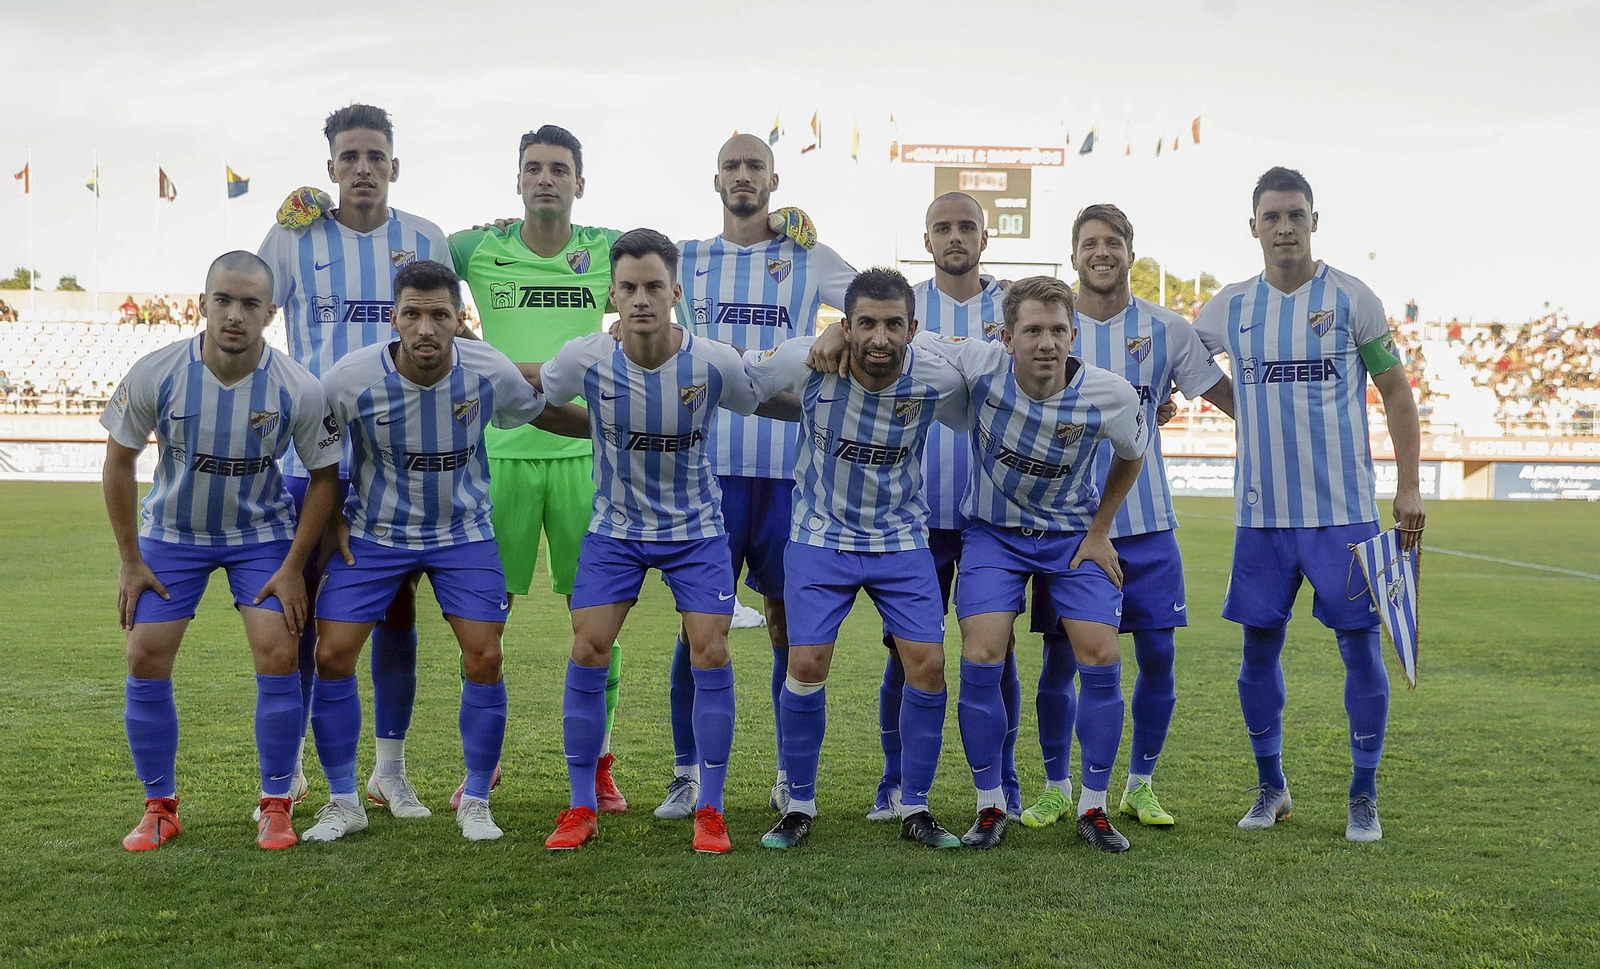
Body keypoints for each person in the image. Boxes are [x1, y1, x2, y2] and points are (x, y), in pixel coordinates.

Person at [808, 275, 1153, 852]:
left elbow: (1132, 454)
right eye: (1033, 330)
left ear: (1074, 335)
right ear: (1005, 335)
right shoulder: (979, 364)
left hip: (1071, 536)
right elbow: (892, 340)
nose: (1046, 343)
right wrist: (835, 337)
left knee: (1102, 652)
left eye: (1058, 331)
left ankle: (1094, 807)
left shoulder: (1110, 394)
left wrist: (1100, 531)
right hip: (995, 535)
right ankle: (989, 803)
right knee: (980, 651)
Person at [304, 259, 586, 843]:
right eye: (413, 314)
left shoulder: (488, 370)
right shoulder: (349, 379)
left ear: (461, 319)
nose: (426, 328)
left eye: (440, 315)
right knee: (331, 656)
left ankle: (477, 799)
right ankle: (342, 800)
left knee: (484, 657)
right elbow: (319, 453)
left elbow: (541, 412)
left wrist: (617, 427)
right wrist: (332, 520)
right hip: (377, 535)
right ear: (394, 318)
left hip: (464, 533)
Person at [1193, 167, 1425, 843]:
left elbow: (1397, 392)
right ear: (1254, 227)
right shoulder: (1229, 308)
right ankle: (1271, 787)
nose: (1285, 227)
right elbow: (1185, 361)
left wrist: (1407, 485)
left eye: (1296, 214)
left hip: (1344, 513)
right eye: (1273, 216)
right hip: (1260, 516)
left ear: (1314, 221)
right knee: (1257, 653)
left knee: (1361, 652)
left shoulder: (1354, 298)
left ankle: (1363, 794)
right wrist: (1237, 407)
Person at [538, 229, 784, 853]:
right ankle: (580, 805)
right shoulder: (586, 357)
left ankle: (711, 806)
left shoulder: (714, 362)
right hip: (615, 529)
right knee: (589, 647)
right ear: (612, 294)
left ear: (676, 291)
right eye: (628, 287)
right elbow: (535, 400)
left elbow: (765, 394)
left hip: (696, 529)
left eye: (653, 286)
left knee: (711, 651)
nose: (641, 298)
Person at [100, 251, 344, 852]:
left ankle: (276, 802)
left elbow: (324, 475)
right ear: (202, 303)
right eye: (223, 301)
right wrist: (131, 561)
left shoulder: (297, 386)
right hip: (172, 536)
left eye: (250, 304)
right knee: (145, 655)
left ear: (270, 313)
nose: (235, 315)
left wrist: (292, 567)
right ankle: (159, 807)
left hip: (259, 537)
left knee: (278, 650)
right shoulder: (157, 372)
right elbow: (120, 460)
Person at [258, 103, 452, 821]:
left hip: (397, 463)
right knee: (298, 615)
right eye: (350, 157)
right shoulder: (294, 233)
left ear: (394, 166)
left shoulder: (425, 238)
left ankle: (390, 771)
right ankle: (292, 771)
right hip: (309, 461)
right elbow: (249, 311)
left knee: (395, 609)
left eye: (376, 156)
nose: (363, 168)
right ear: (331, 168)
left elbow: (453, 335)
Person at [1016, 204, 1235, 835]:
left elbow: (1225, 397)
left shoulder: (1167, 330)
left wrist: (1287, 424)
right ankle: (1059, 787)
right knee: (1062, 660)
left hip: (1147, 522)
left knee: (1159, 657)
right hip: (1067, 525)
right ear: (1074, 254)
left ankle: (1140, 784)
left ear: (1130, 253)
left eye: (1113, 242)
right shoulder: (1051, 327)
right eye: (1090, 243)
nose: (1101, 253)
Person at [658, 133, 856, 820]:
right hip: (704, 471)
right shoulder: (686, 259)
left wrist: (836, 334)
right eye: (733, 167)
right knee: (698, 627)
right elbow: (614, 283)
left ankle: (785, 773)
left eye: (755, 167)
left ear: (774, 181)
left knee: (785, 625)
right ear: (716, 180)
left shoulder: (806, 256)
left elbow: (875, 307)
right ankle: (686, 773)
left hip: (787, 472)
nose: (743, 176)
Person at [746, 267, 971, 851]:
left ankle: (915, 807)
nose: (879, 337)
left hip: (900, 540)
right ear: (844, 325)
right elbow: (741, 379)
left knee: (928, 665)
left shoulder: (936, 374)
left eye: (893, 324)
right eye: (865, 323)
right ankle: (798, 804)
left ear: (912, 329)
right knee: (807, 663)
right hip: (821, 538)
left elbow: (999, 365)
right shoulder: (808, 358)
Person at [870, 192, 1010, 824]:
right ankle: (894, 783)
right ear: (926, 240)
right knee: (906, 657)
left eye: (967, 227)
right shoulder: (900, 310)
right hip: (912, 519)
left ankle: (1001, 783)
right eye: (942, 228)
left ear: (986, 237)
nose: (956, 237)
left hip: (991, 516)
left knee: (995, 655)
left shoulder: (1012, 309)